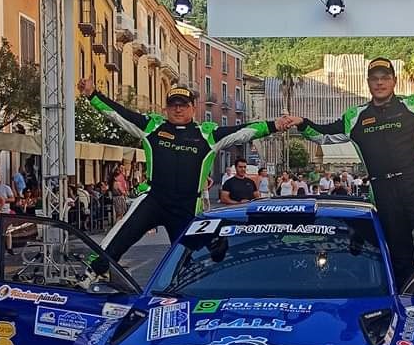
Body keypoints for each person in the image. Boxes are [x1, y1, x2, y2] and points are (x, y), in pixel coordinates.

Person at [285, 53, 414, 286]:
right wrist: (303, 123)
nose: (379, 82)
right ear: (368, 82)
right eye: (374, 78)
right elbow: (324, 135)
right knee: (398, 252)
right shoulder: (355, 116)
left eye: (385, 77)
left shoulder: (413, 105)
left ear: (394, 81)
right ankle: (402, 296)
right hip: (383, 191)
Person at [78, 77, 287, 268]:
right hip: (153, 200)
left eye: (183, 105)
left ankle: (192, 286)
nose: (178, 110)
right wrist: (93, 95)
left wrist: (275, 125)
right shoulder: (152, 126)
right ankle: (93, 273)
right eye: (173, 105)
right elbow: (119, 114)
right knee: (117, 240)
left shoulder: (208, 134)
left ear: (193, 108)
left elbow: (244, 131)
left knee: (198, 260)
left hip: (187, 208)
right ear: (166, 108)